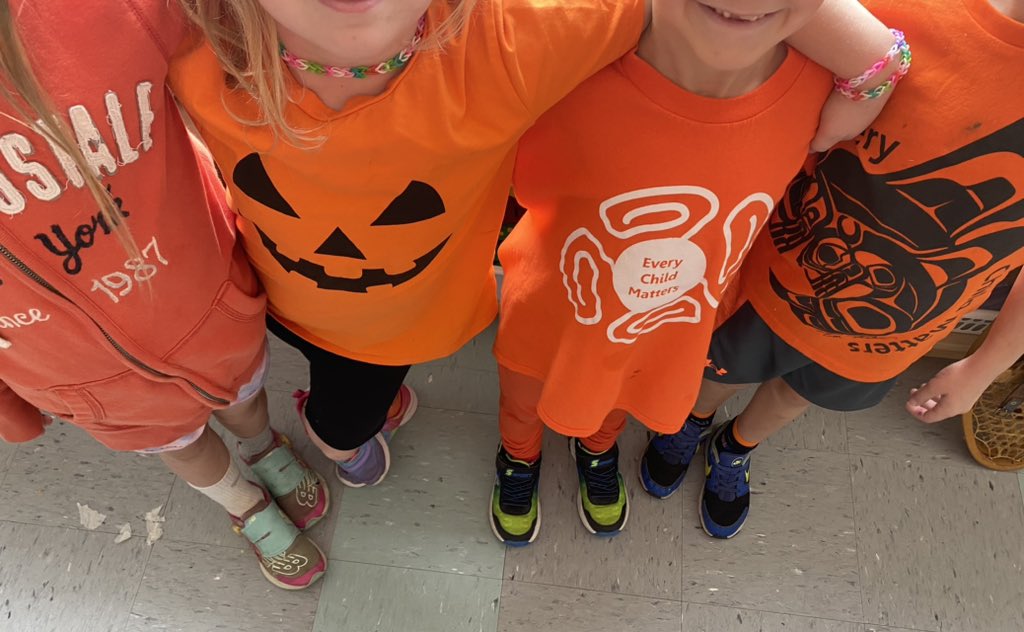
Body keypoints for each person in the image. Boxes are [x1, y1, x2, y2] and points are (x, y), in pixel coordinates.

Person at [170, 0, 904, 500]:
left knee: (378, 376)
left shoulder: (515, 41)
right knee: (343, 418)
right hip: (286, 304)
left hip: (430, 314)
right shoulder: (174, 32)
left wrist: (874, 68)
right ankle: (339, 437)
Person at [489, 0, 904, 544]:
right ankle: (518, 457)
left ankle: (597, 448)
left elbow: (880, 63)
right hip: (548, 301)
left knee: (621, 392)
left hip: (668, 323)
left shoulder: (822, 89)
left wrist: (872, 63)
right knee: (524, 392)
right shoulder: (563, 56)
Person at [642, 0, 1024, 541]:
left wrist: (983, 369)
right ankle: (691, 423)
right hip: (776, 273)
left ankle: (737, 447)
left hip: (895, 334)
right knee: (716, 370)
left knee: (799, 395)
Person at [0, 0, 329, 589]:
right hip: (71, 371)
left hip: (195, 293)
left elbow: (232, 55)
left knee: (245, 395)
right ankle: (242, 503)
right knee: (179, 443)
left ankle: (262, 446)